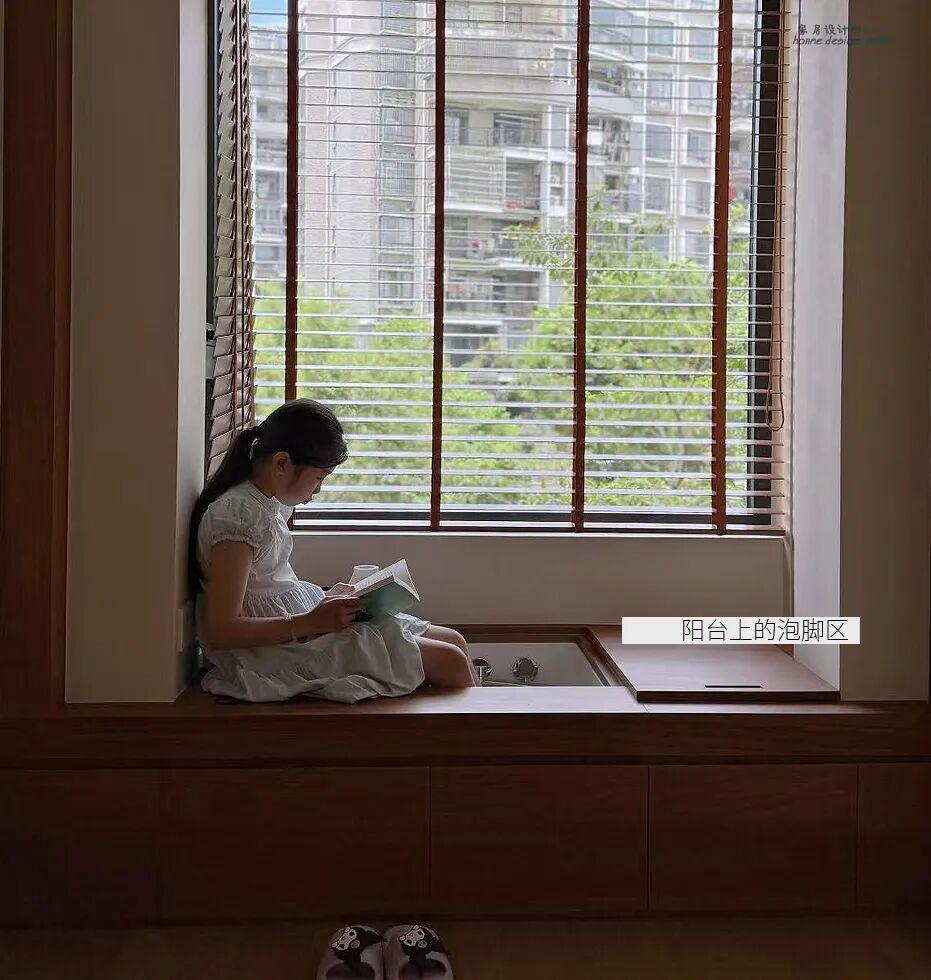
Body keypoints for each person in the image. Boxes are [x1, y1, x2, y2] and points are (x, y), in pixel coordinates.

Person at [187, 398, 478, 702]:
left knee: (454, 640)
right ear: (282, 463)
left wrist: (326, 601)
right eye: (319, 478)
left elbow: (268, 588)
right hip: (267, 655)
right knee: (450, 660)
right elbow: (221, 630)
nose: (318, 490)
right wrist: (311, 622)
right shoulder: (238, 516)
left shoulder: (263, 504)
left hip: (297, 632)